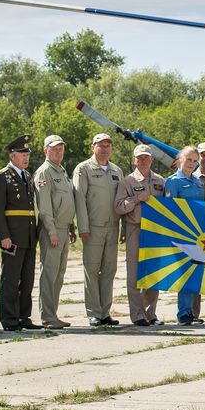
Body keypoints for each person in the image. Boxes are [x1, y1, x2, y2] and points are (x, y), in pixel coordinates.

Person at [73, 132, 124, 327]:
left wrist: (122, 229)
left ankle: (105, 312)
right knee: (92, 270)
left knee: (109, 270)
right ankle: (94, 312)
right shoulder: (84, 169)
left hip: (112, 227)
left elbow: (120, 201)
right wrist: (83, 227)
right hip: (92, 228)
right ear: (93, 147)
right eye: (101, 145)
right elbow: (80, 199)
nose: (104, 149)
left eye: (108, 146)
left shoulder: (116, 170)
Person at [114, 144, 168, 326]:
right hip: (135, 229)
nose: (143, 160)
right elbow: (118, 206)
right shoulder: (127, 182)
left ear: (151, 159)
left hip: (155, 232)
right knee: (134, 274)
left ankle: (150, 313)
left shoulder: (160, 181)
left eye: (146, 157)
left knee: (154, 273)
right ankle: (137, 314)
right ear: (134, 160)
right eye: (139, 158)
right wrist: (136, 199)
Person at [0, 135, 40, 332]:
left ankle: (24, 316)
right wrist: (4, 235)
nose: (26, 157)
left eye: (27, 153)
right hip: (12, 236)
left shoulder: (27, 176)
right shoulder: (2, 176)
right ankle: (9, 319)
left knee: (27, 279)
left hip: (28, 235)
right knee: (11, 279)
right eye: (22, 153)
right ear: (12, 156)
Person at [31, 134, 76, 330]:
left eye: (61, 148)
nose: (58, 152)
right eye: (54, 149)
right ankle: (48, 317)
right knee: (49, 273)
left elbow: (67, 201)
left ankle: (53, 314)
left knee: (59, 273)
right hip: (53, 229)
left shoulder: (61, 170)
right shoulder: (44, 172)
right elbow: (45, 207)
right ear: (45, 151)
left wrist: (71, 226)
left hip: (64, 227)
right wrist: (52, 232)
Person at [163, 145, 205, 324]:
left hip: (198, 235)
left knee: (195, 273)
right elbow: (169, 210)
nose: (192, 164)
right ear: (180, 159)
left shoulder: (198, 182)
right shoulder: (173, 182)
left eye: (195, 161)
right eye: (188, 159)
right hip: (182, 234)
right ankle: (183, 314)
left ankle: (191, 313)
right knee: (184, 274)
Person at [185, 141, 205, 323]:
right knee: (195, 271)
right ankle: (193, 312)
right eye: (202, 155)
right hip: (194, 232)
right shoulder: (191, 178)